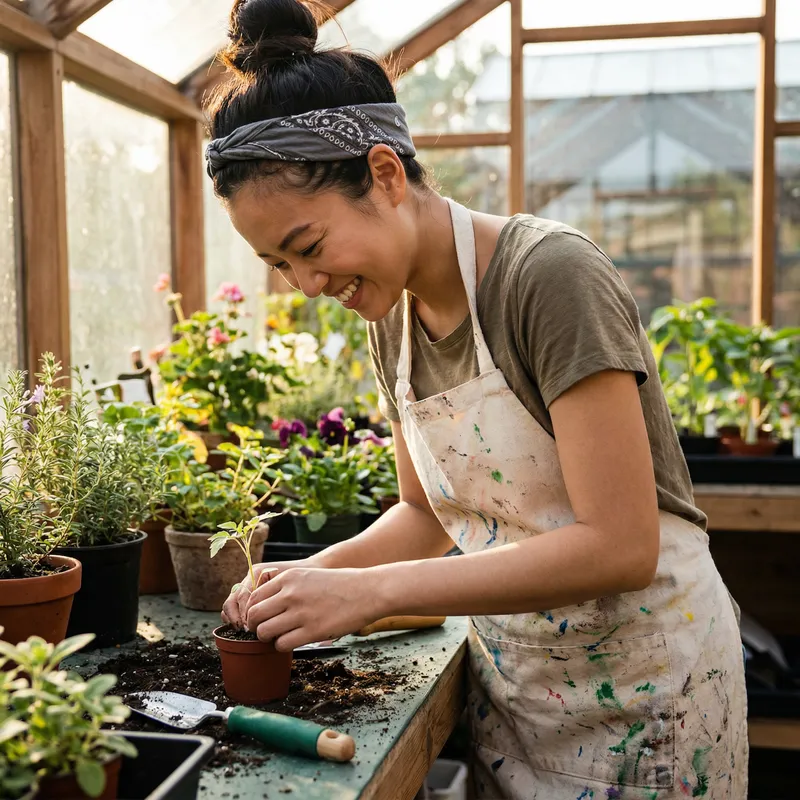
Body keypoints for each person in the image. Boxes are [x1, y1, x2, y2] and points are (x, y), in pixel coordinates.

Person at [210, 1, 747, 796]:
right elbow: (425, 516)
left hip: (652, 701)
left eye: (309, 248)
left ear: (386, 174)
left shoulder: (547, 277)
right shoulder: (385, 314)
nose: (309, 286)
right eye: (280, 266)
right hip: (519, 695)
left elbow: (621, 545)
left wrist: (370, 594)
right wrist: (301, 585)